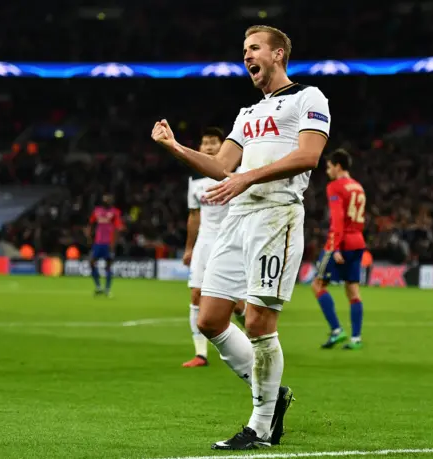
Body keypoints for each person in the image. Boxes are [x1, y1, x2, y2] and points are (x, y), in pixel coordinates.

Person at [152, 25, 330, 450]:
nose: (246, 56)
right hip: (238, 218)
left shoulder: (309, 97)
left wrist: (245, 177)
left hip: (276, 216)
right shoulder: (247, 113)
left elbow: (309, 155)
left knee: (257, 322)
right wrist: (175, 147)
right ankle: (272, 393)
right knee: (210, 319)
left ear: (279, 54)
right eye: (243, 50)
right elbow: (221, 165)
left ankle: (262, 426)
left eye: (254, 48)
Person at [183, 127, 247, 368]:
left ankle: (256, 338)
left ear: (224, 146)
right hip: (204, 243)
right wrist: (189, 247)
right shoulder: (196, 183)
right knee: (196, 294)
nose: (208, 147)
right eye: (204, 142)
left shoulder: (237, 175)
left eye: (213, 142)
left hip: (230, 240)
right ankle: (201, 354)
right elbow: (194, 217)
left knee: (237, 303)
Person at [311, 149, 366, 350]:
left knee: (317, 285)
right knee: (353, 290)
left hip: (340, 244)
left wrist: (335, 248)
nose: (327, 171)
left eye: (329, 167)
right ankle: (356, 338)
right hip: (358, 242)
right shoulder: (358, 187)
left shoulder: (335, 186)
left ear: (338, 166)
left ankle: (336, 330)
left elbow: (337, 219)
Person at [87, 194, 124, 296]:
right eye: (105, 198)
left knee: (108, 266)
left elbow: (117, 229)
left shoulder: (115, 212)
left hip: (108, 243)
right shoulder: (97, 211)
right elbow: (91, 224)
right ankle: (98, 287)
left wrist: (113, 244)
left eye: (109, 198)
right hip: (98, 243)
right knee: (91, 263)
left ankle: (107, 289)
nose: (107, 200)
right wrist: (90, 237)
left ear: (112, 201)